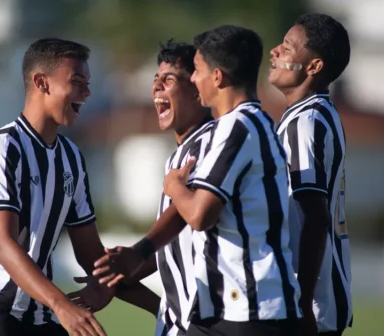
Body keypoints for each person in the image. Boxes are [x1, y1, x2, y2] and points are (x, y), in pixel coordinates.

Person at [95, 25, 303, 336]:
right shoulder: (245, 125)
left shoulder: (235, 127)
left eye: (198, 71)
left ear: (216, 77)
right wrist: (135, 260)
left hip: (251, 307)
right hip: (234, 309)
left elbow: (198, 214)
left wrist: (174, 187)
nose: (194, 77)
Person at [0, 37, 158, 336]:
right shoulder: (3, 147)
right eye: (77, 81)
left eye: (88, 82)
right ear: (41, 82)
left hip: (38, 316)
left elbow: (91, 257)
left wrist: (160, 308)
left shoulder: (71, 157)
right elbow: (4, 245)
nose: (87, 92)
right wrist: (62, 305)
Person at [81, 39, 214, 336]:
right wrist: (117, 275)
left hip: (211, 323)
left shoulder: (212, 144)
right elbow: (175, 241)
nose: (157, 88)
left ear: (198, 89)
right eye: (156, 80)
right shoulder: (181, 152)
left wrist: (136, 254)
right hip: (184, 323)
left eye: (169, 80)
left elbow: (194, 215)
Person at [268, 13, 353, 336]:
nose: (275, 51)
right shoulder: (312, 115)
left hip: (309, 308)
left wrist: (300, 303)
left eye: (287, 47)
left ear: (314, 66)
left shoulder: (306, 123)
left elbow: (314, 217)